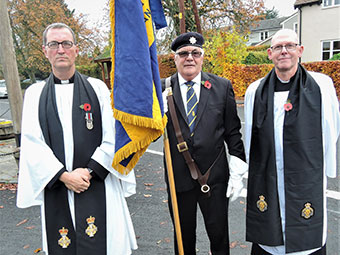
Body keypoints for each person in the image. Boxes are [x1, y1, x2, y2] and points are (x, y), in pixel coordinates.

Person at [16, 23, 137, 255]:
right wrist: (64, 176)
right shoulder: (35, 94)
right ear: (45, 50)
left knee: (107, 244)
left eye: (66, 44)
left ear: (76, 49)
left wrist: (88, 172)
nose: (61, 49)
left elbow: (114, 135)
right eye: (54, 44)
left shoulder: (98, 88)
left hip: (97, 183)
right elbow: (32, 143)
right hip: (58, 186)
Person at [244, 28, 340, 255]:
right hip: (269, 173)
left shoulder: (321, 85)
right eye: (278, 47)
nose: (284, 51)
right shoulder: (255, 90)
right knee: (271, 233)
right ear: (269, 53)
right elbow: (249, 133)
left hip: (306, 174)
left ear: (300, 50)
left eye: (289, 46)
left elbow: (331, 128)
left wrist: (322, 165)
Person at [162, 32, 247, 255]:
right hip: (178, 178)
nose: (190, 57)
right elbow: (149, 136)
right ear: (175, 58)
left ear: (202, 57)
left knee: (219, 235)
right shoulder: (161, 89)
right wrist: (154, 118)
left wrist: (238, 171)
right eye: (183, 53)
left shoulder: (221, 86)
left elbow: (233, 132)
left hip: (214, 178)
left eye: (195, 53)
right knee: (183, 238)